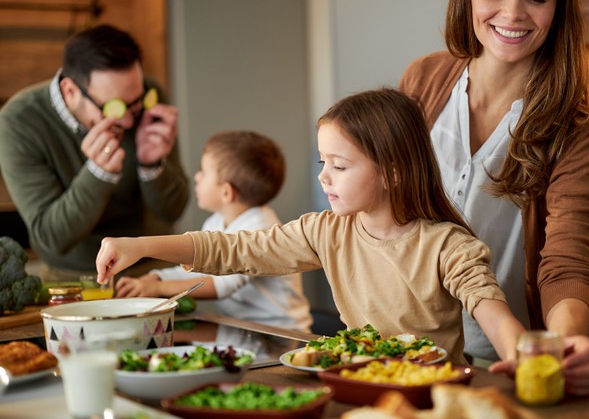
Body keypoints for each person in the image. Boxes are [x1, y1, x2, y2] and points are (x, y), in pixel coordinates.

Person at [96, 88, 527, 366]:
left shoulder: (447, 246)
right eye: (324, 162)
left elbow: (490, 309)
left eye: (339, 165)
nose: (323, 176)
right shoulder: (326, 232)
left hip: (429, 394)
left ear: (393, 173)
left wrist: (520, 358)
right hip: (356, 382)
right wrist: (140, 245)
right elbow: (233, 251)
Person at [398, 0, 589, 395]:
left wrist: (565, 344)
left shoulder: (573, 128)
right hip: (403, 348)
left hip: (501, 360)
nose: (513, 14)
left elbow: (566, 260)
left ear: (557, 9)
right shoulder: (423, 82)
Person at [0, 24, 189, 280]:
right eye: (115, 107)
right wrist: (98, 173)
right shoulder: (18, 121)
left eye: (135, 103)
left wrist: (151, 166)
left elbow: (173, 211)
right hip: (73, 278)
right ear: (71, 91)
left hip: (152, 271)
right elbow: (51, 237)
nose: (128, 122)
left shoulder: (149, 97)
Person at [116, 130, 312, 340]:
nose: (196, 176)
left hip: (281, 335)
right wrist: (156, 276)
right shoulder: (217, 221)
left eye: (203, 171)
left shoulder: (260, 228)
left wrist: (157, 288)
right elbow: (198, 267)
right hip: (243, 331)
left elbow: (221, 285)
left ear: (226, 192)